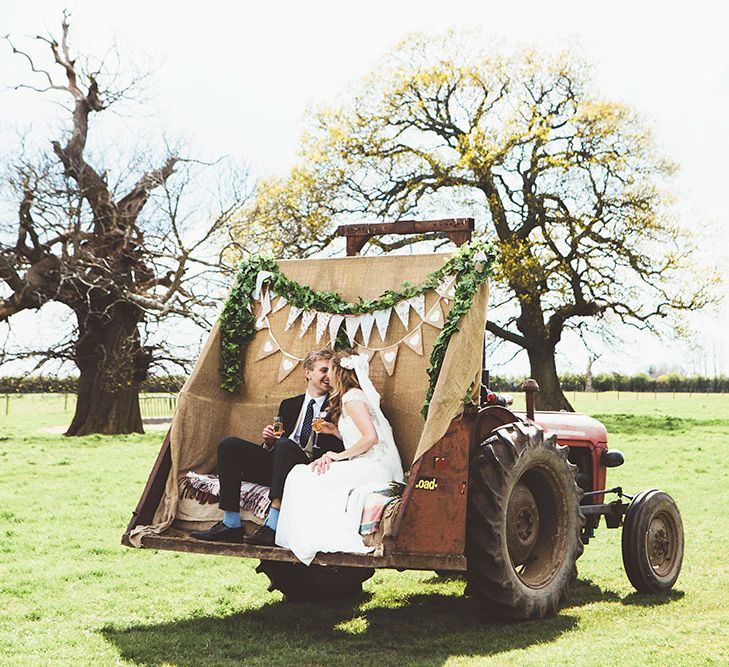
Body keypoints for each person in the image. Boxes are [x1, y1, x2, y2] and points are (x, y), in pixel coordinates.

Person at [191, 348, 343, 545]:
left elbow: (342, 442)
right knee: (229, 445)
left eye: (331, 371)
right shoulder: (289, 405)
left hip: (311, 469)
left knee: (285, 444)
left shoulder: (338, 405)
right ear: (307, 372)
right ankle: (230, 524)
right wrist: (269, 442)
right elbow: (277, 443)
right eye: (323, 370)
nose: (328, 376)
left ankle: (272, 526)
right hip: (279, 465)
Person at [275, 350, 404, 565]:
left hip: (373, 465)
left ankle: (306, 537)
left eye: (330, 369)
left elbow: (370, 438)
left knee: (302, 476)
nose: (328, 376)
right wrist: (335, 431)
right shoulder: (352, 396)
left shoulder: (352, 397)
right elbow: (362, 434)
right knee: (303, 475)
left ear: (338, 371)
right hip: (367, 461)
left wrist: (336, 456)